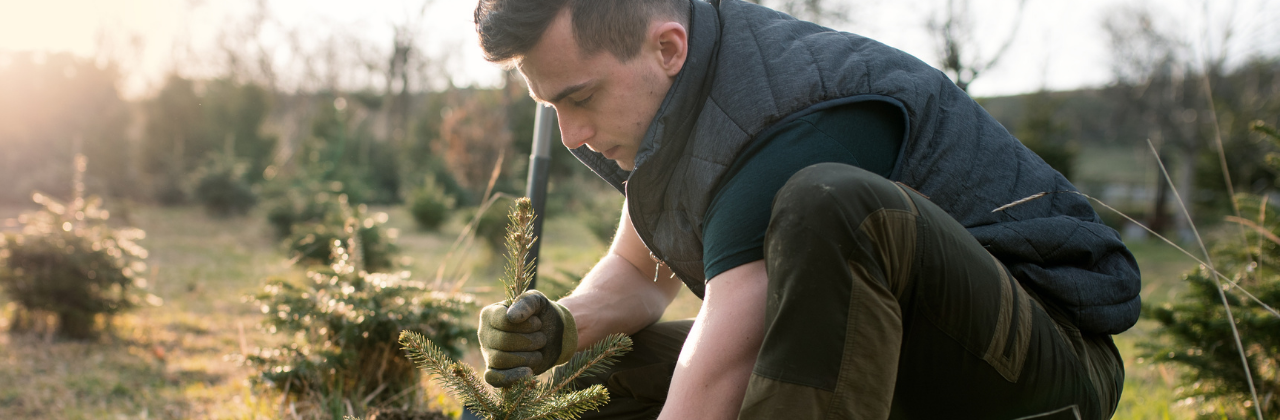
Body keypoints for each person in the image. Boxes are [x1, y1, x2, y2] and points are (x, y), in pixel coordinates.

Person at [469, 0, 1141, 418]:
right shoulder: (674, 101)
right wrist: (558, 330)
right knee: (592, 379)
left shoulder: (788, 114)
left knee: (829, 203)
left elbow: (722, 367)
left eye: (579, 98)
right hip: (888, 357)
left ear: (666, 47)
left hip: (1041, 373)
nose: (571, 135)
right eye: (549, 105)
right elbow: (639, 270)